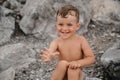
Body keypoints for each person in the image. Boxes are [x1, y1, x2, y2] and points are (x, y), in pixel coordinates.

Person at [40, 4, 95, 80]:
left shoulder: (81, 40)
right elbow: (50, 51)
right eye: (61, 24)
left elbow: (91, 58)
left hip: (76, 75)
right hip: (62, 75)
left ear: (77, 26)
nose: (64, 28)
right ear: (56, 25)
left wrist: (78, 63)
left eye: (69, 25)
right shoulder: (56, 42)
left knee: (73, 70)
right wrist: (49, 56)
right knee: (62, 64)